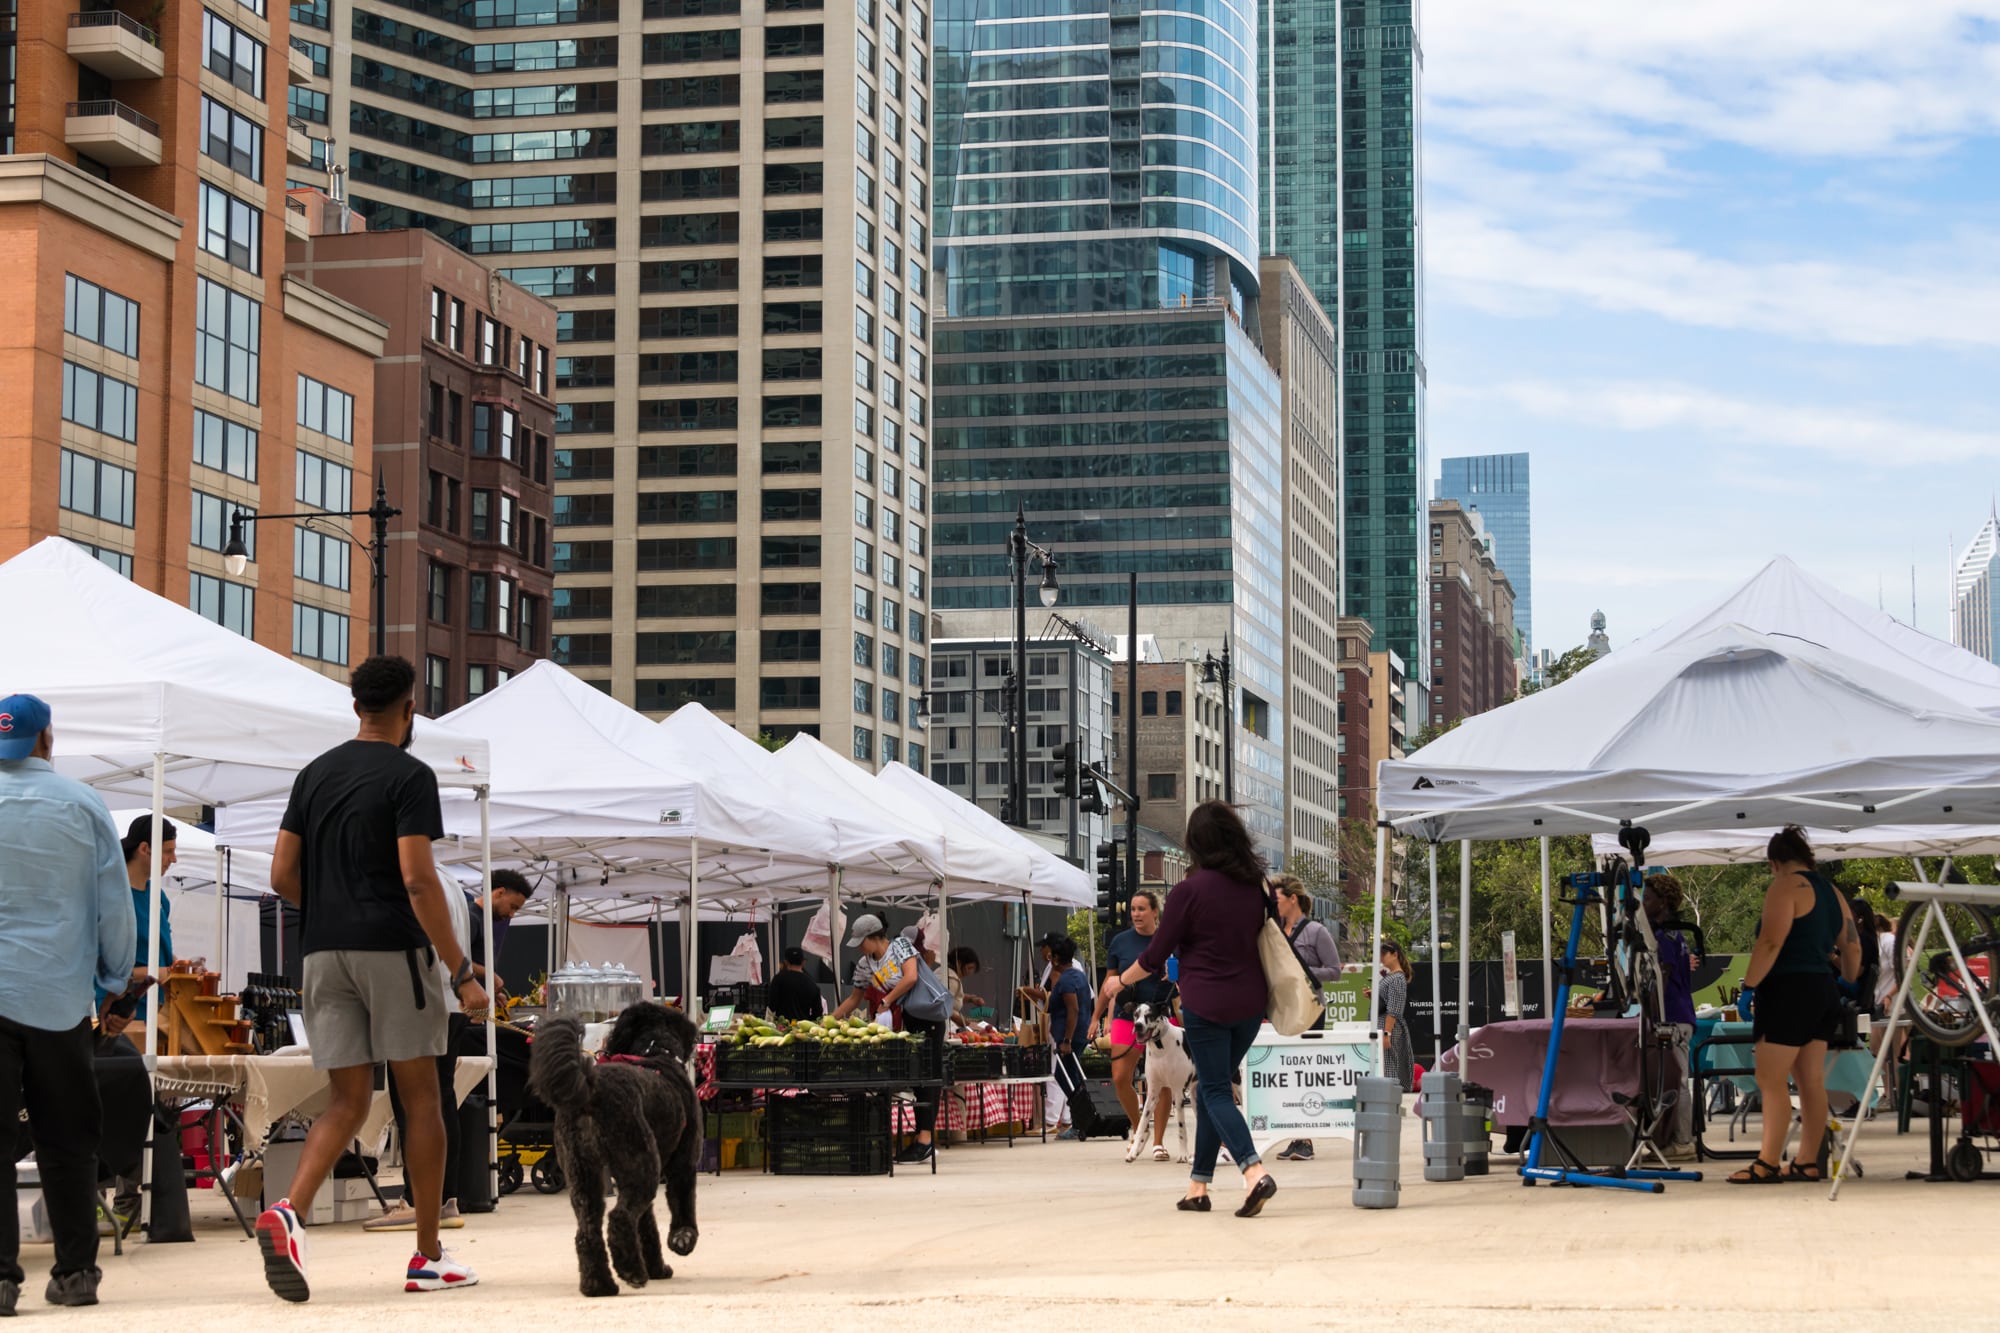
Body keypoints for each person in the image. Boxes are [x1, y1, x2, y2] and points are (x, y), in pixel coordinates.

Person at [258, 657, 489, 1300]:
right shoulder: (410, 777)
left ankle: (288, 1211)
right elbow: (418, 879)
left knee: (346, 1100)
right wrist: (462, 971)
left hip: (321, 954)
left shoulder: (314, 774)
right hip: (393, 952)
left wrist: (332, 910)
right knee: (421, 1099)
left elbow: (280, 877)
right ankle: (428, 1257)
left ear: (356, 706)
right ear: (409, 708)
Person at [0, 693, 135, 1314]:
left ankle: (1, 1280)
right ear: (47, 740)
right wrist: (114, 981)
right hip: (57, 999)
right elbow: (115, 903)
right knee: (67, 1138)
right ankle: (76, 1272)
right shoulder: (83, 804)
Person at [1101, 801, 1276, 1218]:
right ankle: (1198, 1186)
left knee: (1212, 1091)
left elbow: (1155, 955)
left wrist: (1117, 982)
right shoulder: (1257, 887)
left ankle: (1254, 1172)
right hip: (1251, 1005)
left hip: (1208, 1004)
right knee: (1211, 1087)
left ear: (1196, 843)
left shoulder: (1188, 891)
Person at [1729, 826, 1861, 1184]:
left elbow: (1771, 941)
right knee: (1810, 1081)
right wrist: (1848, 979)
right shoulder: (1833, 892)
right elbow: (1851, 945)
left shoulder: (1785, 886)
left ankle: (1767, 1162)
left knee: (1770, 1078)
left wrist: (1749, 986)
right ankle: (1806, 1162)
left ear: (1775, 862)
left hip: (1788, 989)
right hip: (1823, 989)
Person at [368, 884, 475, 1235]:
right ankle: (447, 1198)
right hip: (451, 1000)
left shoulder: (417, 880)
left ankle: (416, 1201)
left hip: (423, 997)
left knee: (413, 1103)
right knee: (441, 1099)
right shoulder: (455, 886)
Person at [830, 915, 946, 1164]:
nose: (861, 947)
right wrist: (830, 1019)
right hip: (909, 1019)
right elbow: (854, 998)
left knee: (929, 1075)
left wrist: (887, 1000)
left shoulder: (900, 946)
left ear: (875, 937)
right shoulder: (864, 964)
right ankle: (921, 1139)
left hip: (927, 1015)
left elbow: (911, 977)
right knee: (916, 1078)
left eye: (863, 941)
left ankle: (925, 1140)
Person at [1089, 890, 1176, 1157]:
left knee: (1162, 1082)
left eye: (1141, 909)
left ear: (1154, 912)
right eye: (1133, 910)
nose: (1136, 914)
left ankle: (1159, 1142)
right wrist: (1096, 1017)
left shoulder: (1169, 940)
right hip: (1129, 1015)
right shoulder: (1120, 942)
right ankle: (1140, 1129)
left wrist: (1173, 975)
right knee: (1120, 1077)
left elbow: (1181, 975)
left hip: (1161, 1015)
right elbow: (1109, 983)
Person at [1271, 876, 1341, 1161]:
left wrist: (1305, 972)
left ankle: (1306, 1139)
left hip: (1310, 1008)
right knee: (1288, 1071)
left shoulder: (1316, 932)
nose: (1274, 904)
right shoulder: (1275, 932)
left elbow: (1334, 971)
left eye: (1277, 898)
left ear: (1292, 899)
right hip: (1285, 1008)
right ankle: (1296, 1135)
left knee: (1305, 1067)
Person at [1642, 874, 1697, 1157]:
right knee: (1674, 1079)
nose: (1643, 904)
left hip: (1672, 1016)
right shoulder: (1678, 934)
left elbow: (1664, 973)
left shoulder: (1664, 937)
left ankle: (1683, 1141)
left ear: (1663, 903)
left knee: (1678, 1080)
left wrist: (1649, 1001)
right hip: (1680, 1014)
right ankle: (1677, 1138)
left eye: (1648, 899)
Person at [1046, 938, 1101, 1141]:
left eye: (1052, 956)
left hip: (1070, 1036)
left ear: (1057, 958)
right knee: (1071, 1076)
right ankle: (1082, 1117)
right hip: (1079, 1033)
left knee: (1065, 1076)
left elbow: (1073, 1009)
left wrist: (1066, 1040)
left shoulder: (1066, 980)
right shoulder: (1079, 975)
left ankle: (1081, 1118)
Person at [466, 869, 532, 999]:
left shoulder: (483, 920)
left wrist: (490, 994)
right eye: (513, 907)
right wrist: (490, 975)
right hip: (461, 1008)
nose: (511, 915)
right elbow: (452, 961)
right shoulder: (471, 918)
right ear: (500, 893)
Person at [1378, 939, 1415, 1093]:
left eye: (1384, 954)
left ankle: (1391, 1094)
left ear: (1395, 955)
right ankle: (1387, 1093)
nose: (1381, 957)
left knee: (1389, 1061)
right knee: (1384, 1061)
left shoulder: (1397, 978)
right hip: (1384, 1023)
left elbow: (1394, 1009)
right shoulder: (1391, 977)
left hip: (1389, 1025)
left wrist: (1387, 1033)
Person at [768, 947, 825, 1022]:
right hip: (802, 1029)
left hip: (782, 1026)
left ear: (786, 962)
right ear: (803, 962)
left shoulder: (778, 979)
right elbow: (817, 1013)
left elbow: (772, 1005)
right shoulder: (812, 984)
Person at [945, 947, 981, 1029]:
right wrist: (959, 1019)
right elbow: (942, 1004)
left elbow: (954, 998)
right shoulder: (951, 978)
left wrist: (971, 999)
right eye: (969, 968)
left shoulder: (949, 974)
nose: (970, 972)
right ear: (959, 963)